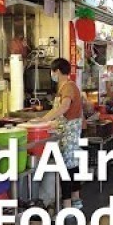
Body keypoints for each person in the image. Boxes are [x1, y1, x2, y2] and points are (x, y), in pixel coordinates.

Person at [41, 58, 84, 209]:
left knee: (66, 167)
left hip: (68, 133)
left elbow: (65, 106)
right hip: (68, 131)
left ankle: (67, 205)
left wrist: (45, 119)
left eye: (52, 72)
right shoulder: (68, 86)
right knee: (72, 166)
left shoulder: (68, 87)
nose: (52, 75)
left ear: (57, 72)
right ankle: (76, 200)